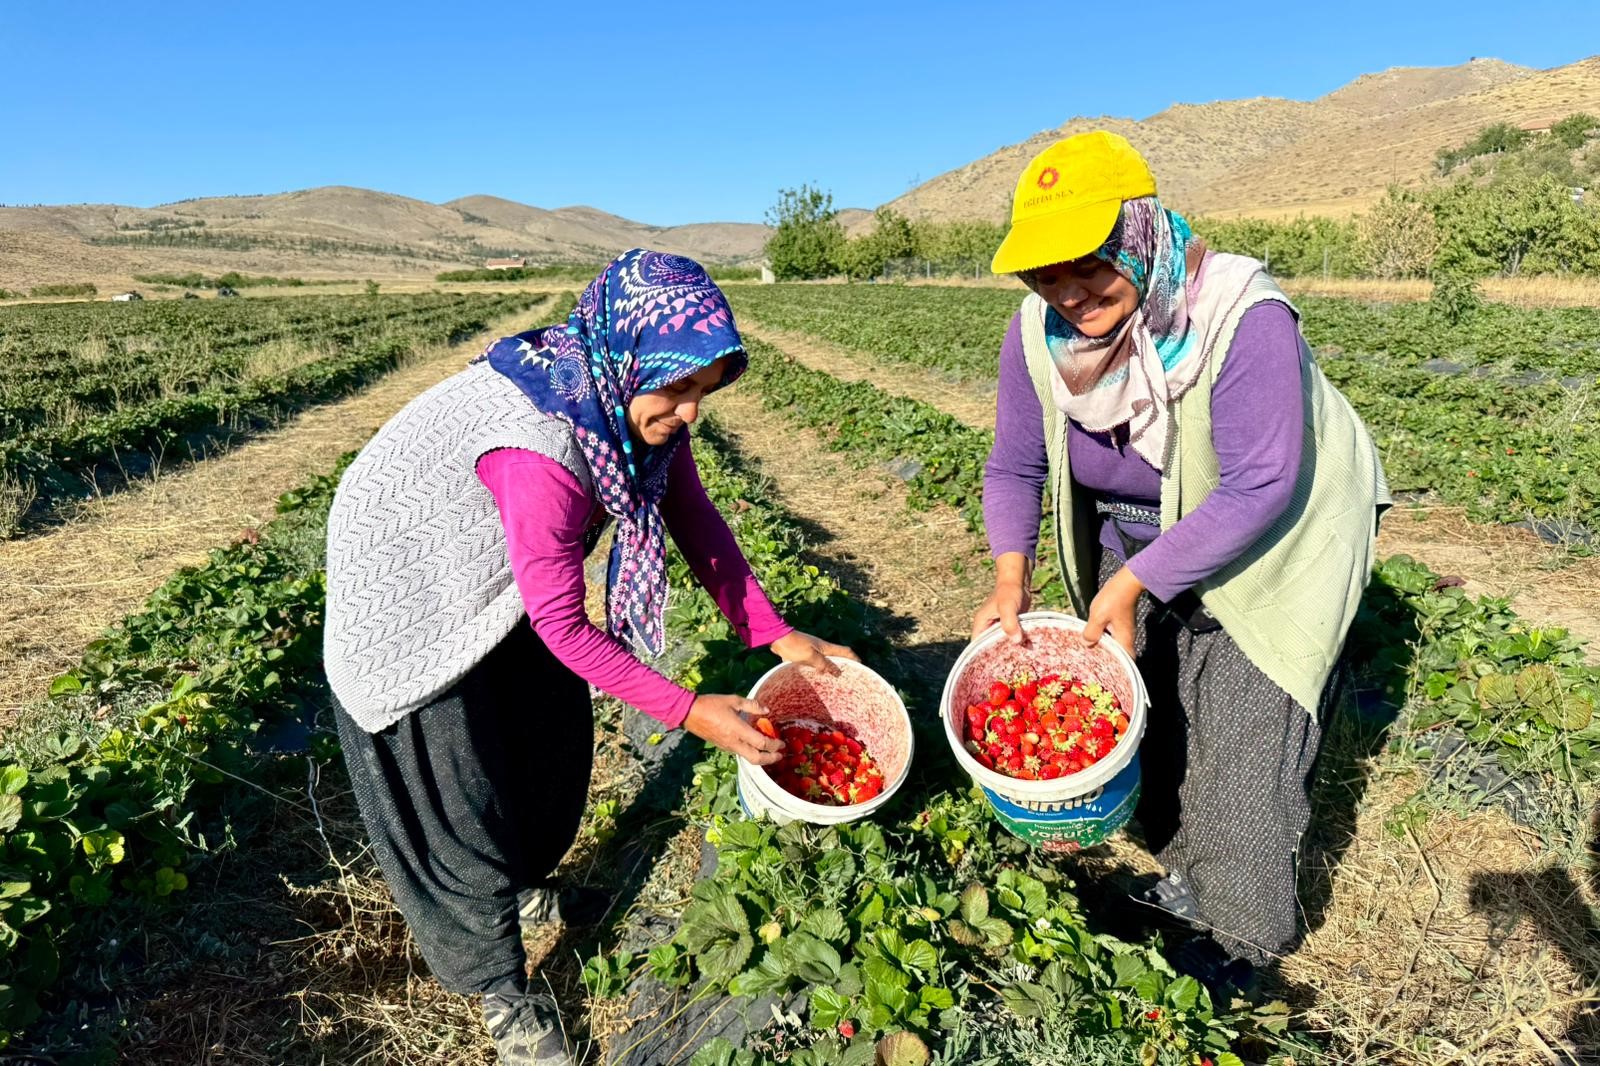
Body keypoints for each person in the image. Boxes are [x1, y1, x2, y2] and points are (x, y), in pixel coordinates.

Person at [322, 249, 857, 1065]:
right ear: (629, 357)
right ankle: (499, 991)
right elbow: (569, 630)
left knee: (545, 743)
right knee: (456, 796)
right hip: (411, 593)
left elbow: (691, 510)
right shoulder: (541, 451)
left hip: (496, 576)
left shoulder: (614, 398)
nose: (692, 412)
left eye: (705, 392)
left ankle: (525, 884)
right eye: (678, 390)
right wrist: (687, 710)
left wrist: (771, 630)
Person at [972, 132, 1389, 987]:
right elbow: (1015, 463)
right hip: (1150, 530)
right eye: (1046, 272)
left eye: (1088, 261)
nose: (1070, 291)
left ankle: (1241, 945)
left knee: (1241, 733)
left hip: (1276, 536)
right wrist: (1009, 577)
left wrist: (1131, 581)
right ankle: (1184, 875)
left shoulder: (1241, 315)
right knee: (1159, 708)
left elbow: (1265, 482)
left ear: (1139, 232)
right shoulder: (1037, 335)